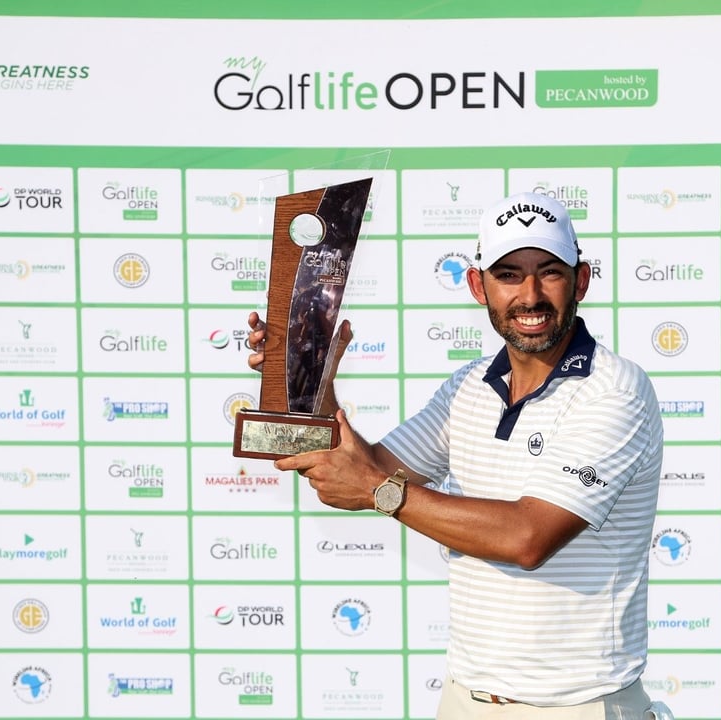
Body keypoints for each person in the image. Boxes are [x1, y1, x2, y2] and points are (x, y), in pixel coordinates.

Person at [247, 191, 667, 719]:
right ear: (478, 286)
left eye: (550, 272)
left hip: (576, 706)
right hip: (465, 699)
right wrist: (308, 385)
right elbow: (368, 472)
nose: (530, 295)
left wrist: (380, 492)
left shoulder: (616, 390)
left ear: (580, 281)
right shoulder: (469, 385)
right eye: (509, 274)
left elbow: (527, 537)